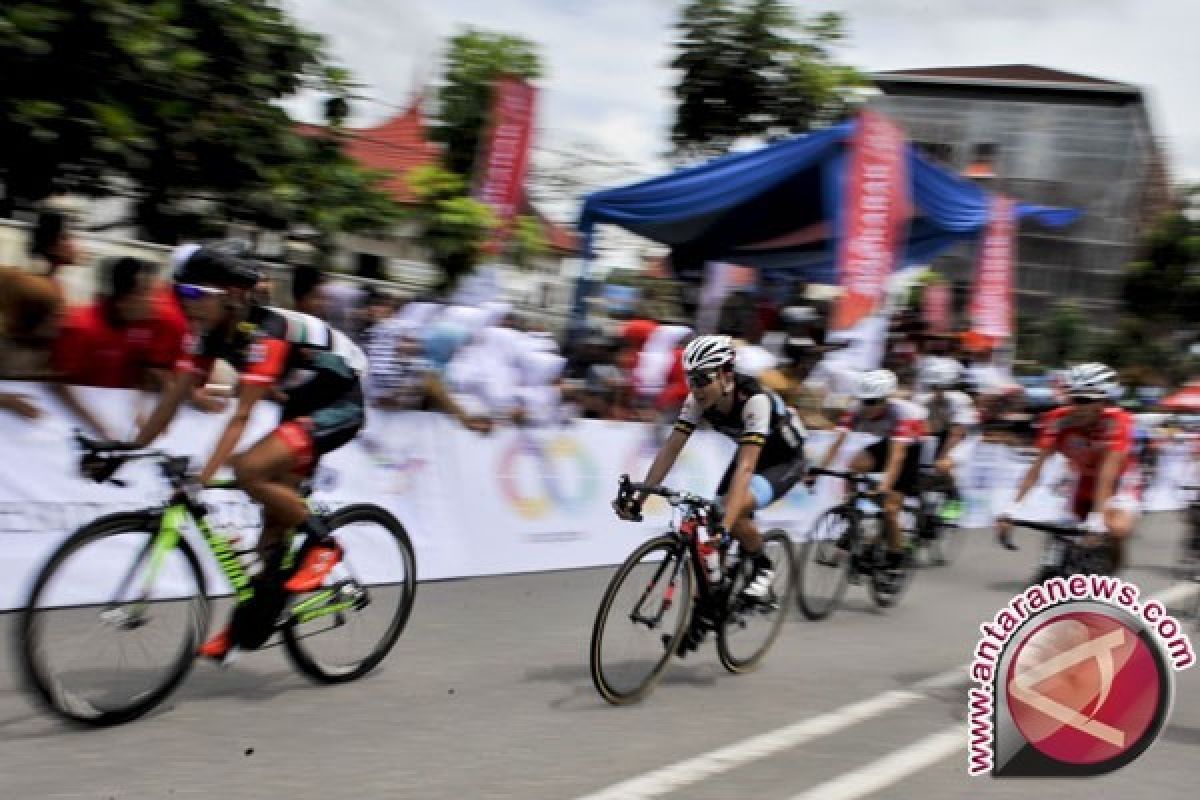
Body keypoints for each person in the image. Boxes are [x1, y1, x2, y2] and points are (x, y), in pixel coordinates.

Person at [114, 244, 370, 662]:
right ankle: (248, 624)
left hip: (340, 401)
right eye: (182, 294)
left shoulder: (266, 331)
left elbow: (241, 416)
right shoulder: (207, 333)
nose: (187, 305)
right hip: (300, 401)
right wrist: (127, 449)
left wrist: (202, 479)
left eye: (197, 295)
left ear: (232, 296)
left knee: (249, 469)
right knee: (271, 539)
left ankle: (324, 546)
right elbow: (174, 395)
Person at [614, 335, 806, 654]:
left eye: (703, 378)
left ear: (726, 376)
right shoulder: (697, 401)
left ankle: (762, 566)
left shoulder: (753, 400)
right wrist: (641, 497)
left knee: (735, 509)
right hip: (750, 450)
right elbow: (670, 449)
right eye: (691, 379)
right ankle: (706, 612)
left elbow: (746, 469)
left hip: (785, 459)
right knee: (707, 539)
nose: (696, 386)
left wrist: (726, 527)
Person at [996, 363, 1138, 572]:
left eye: (1085, 400)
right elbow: (1036, 468)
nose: (1078, 407)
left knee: (1115, 529)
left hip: (1118, 481)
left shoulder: (1118, 422)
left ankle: (1115, 566)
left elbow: (1107, 475)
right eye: (1074, 399)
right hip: (1082, 479)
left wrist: (1097, 520)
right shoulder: (1058, 420)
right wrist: (1011, 509)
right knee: (1064, 534)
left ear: (1102, 402)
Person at [809, 369, 926, 571]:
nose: (867, 406)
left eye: (872, 402)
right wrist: (817, 469)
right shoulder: (856, 409)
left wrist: (885, 486)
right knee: (853, 464)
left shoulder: (901, 414)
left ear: (886, 399)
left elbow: (897, 457)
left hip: (910, 448)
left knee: (890, 510)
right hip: (885, 442)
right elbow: (836, 444)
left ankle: (896, 556)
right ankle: (852, 513)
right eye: (864, 400)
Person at [913, 357, 978, 522]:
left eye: (941, 387)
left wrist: (942, 458)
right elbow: (918, 429)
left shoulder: (960, 400)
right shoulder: (922, 400)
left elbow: (956, 434)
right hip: (938, 433)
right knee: (914, 466)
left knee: (943, 465)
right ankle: (921, 511)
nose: (937, 391)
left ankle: (954, 497)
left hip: (963, 436)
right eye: (934, 387)